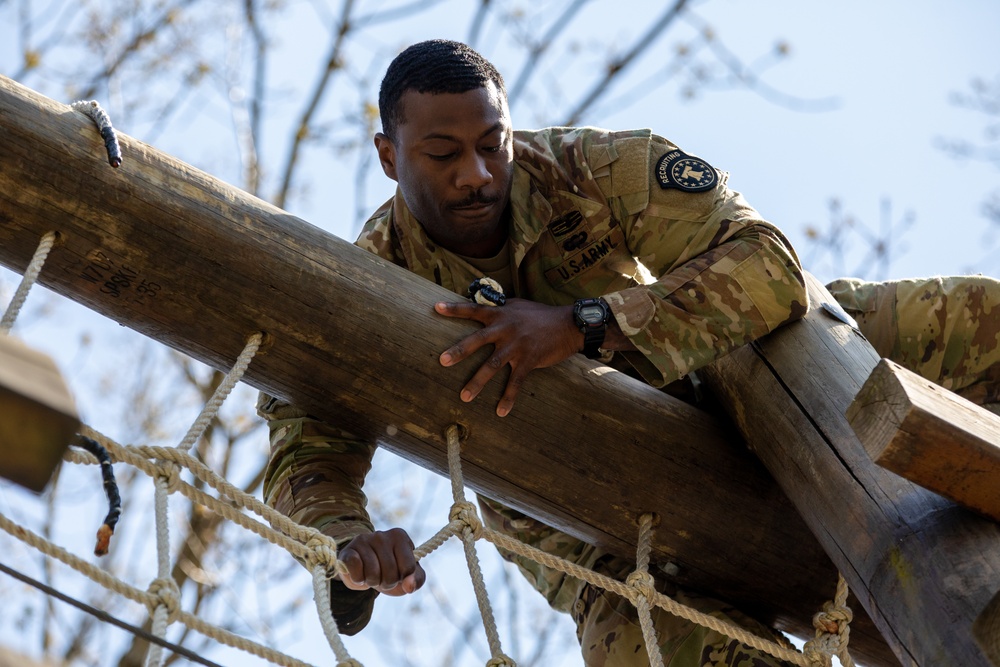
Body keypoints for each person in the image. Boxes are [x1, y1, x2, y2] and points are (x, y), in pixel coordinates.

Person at [258, 39, 1000, 666]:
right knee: (641, 643)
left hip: (730, 384)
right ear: (389, 157)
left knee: (980, 319)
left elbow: (769, 263)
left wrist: (587, 323)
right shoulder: (369, 281)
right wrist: (346, 547)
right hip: (605, 541)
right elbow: (305, 448)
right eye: (443, 153)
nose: (477, 175)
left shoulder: (589, 171)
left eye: (493, 146)